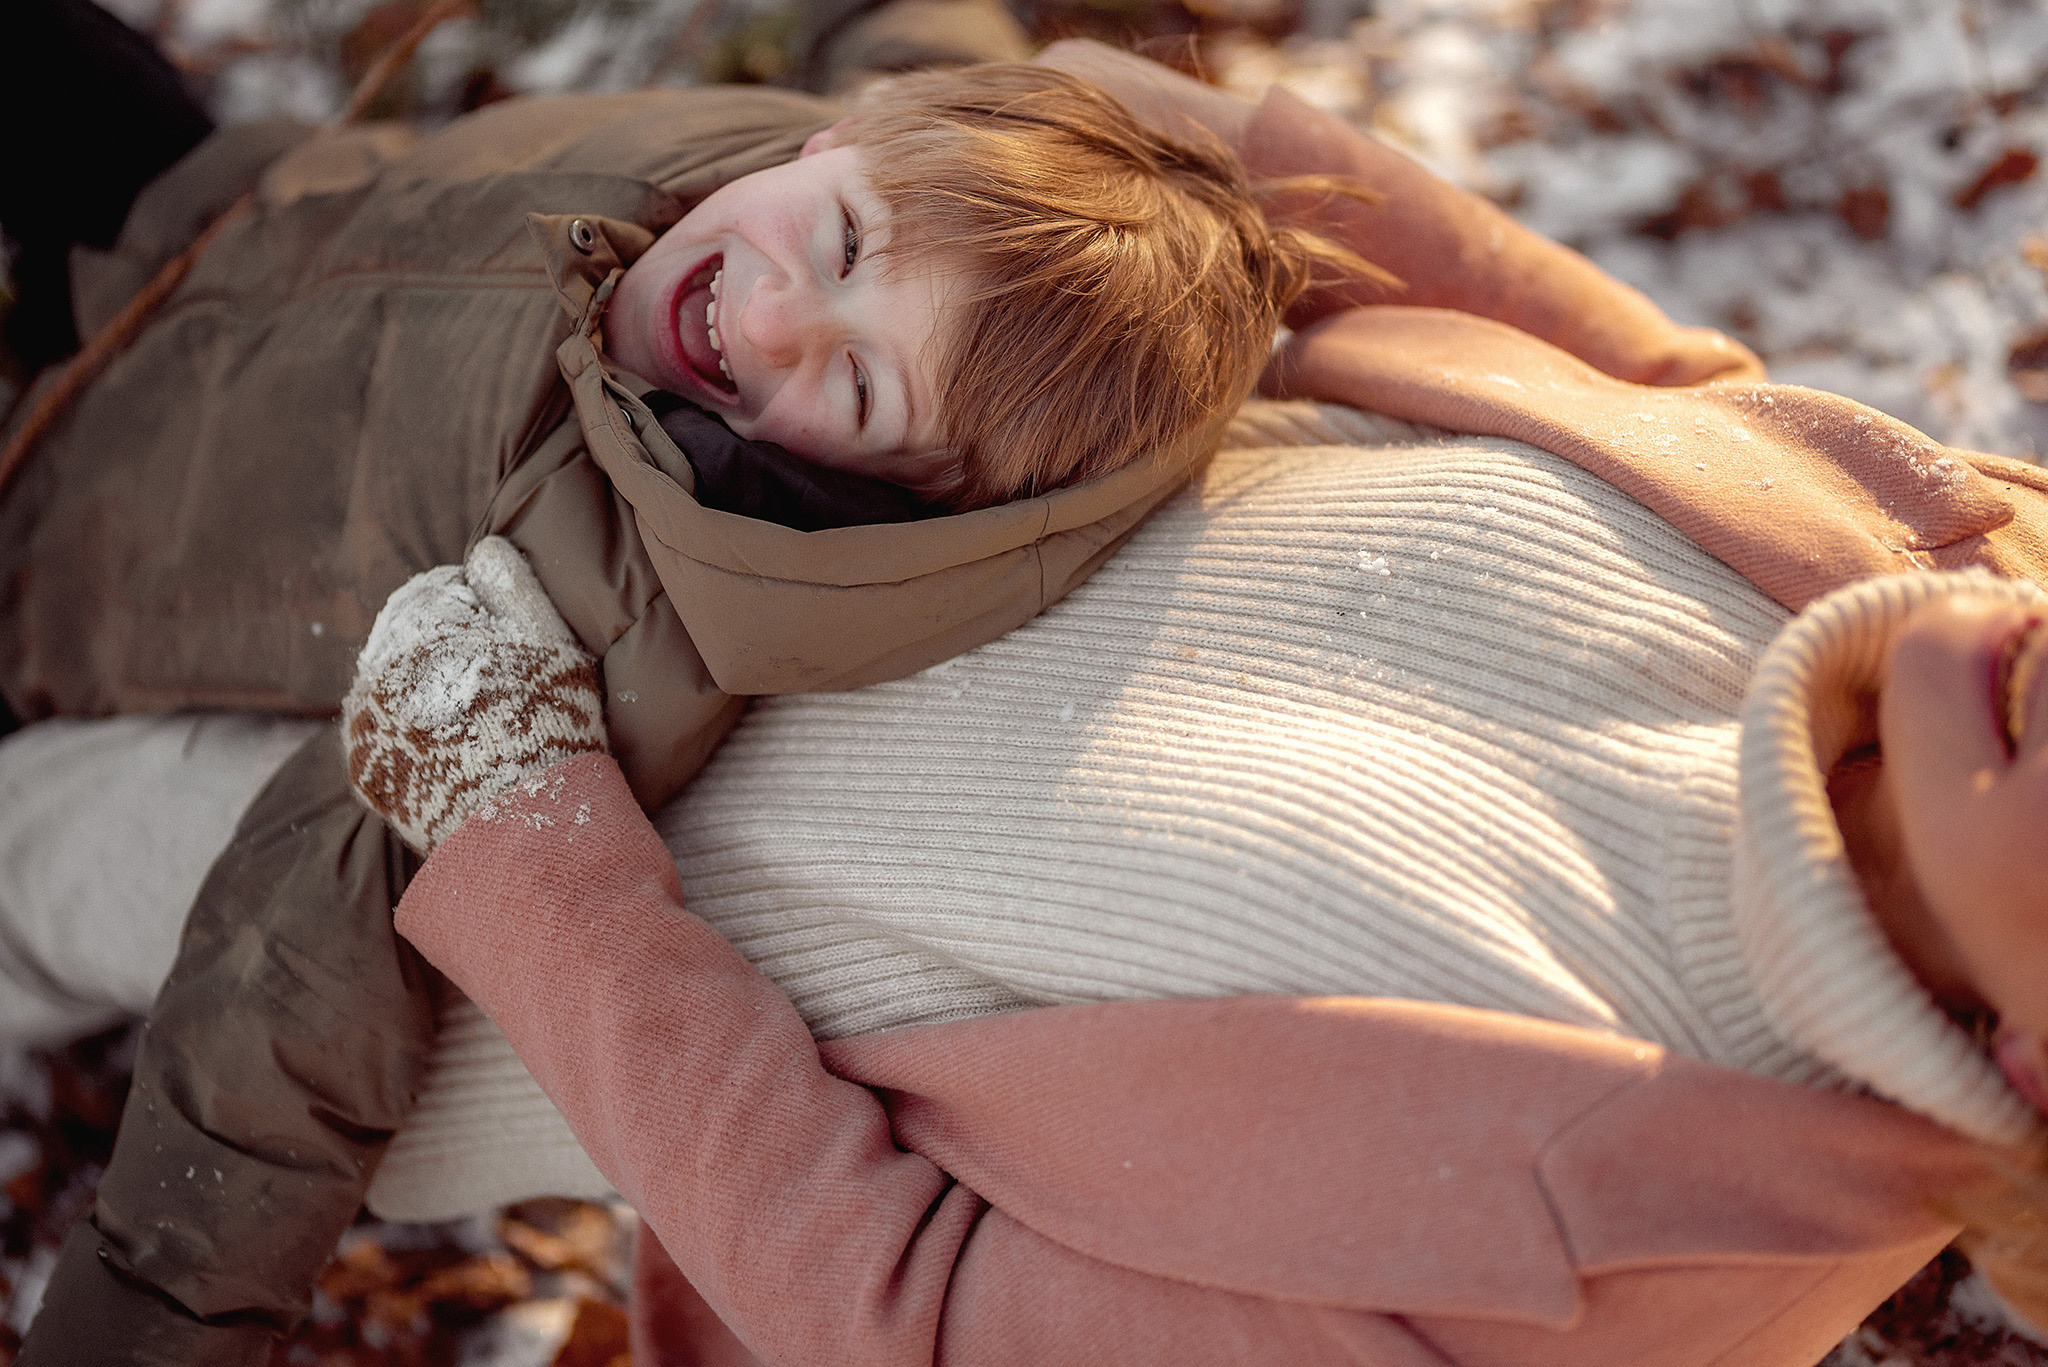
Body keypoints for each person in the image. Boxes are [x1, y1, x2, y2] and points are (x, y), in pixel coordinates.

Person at [0, 10, 1368, 1359]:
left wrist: (136, 1328)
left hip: (57, 555)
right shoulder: (851, 155)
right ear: (847, 141)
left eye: (860, 386)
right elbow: (911, 45)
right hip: (186, 234)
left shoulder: (595, 598)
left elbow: (296, 963)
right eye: (846, 242)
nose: (773, 315)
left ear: (888, 495)